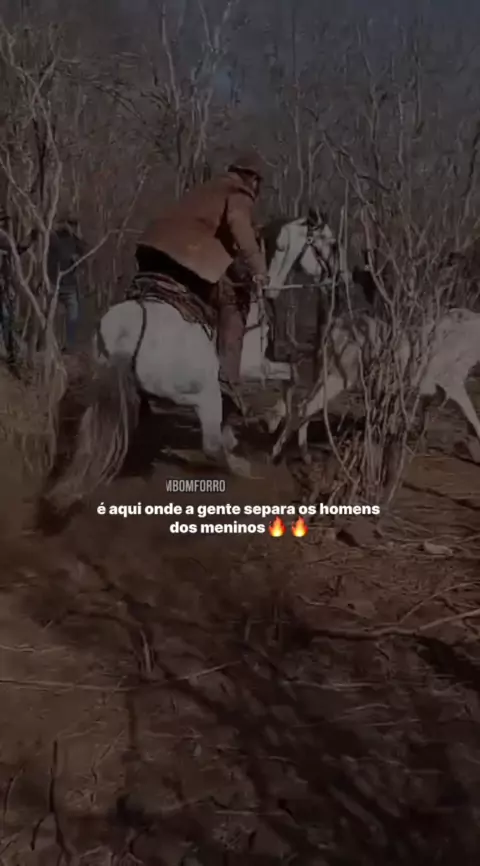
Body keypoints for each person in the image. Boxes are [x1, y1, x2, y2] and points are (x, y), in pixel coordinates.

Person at [136, 151, 269, 401]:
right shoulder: (239, 193)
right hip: (185, 256)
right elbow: (238, 224)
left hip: (150, 249)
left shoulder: (206, 189)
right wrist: (259, 268)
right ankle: (227, 386)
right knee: (235, 303)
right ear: (253, 179)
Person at [47, 216, 87, 351]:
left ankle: (69, 345)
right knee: (52, 316)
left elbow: (84, 253)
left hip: (70, 285)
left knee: (73, 316)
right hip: (54, 283)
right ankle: (52, 344)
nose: (70, 227)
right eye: (69, 223)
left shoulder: (75, 241)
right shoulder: (53, 237)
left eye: (73, 224)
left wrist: (78, 235)